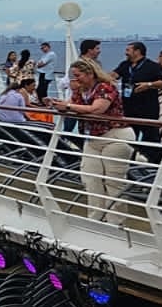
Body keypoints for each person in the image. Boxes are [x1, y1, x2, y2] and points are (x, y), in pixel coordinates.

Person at [50, 61, 134, 225]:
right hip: (92, 138)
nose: (75, 79)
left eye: (78, 75)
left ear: (90, 73)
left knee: (114, 181)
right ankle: (96, 219)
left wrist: (68, 106)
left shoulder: (106, 87)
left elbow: (97, 109)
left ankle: (116, 222)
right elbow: (73, 107)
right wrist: (60, 106)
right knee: (90, 179)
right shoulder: (80, 91)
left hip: (115, 137)